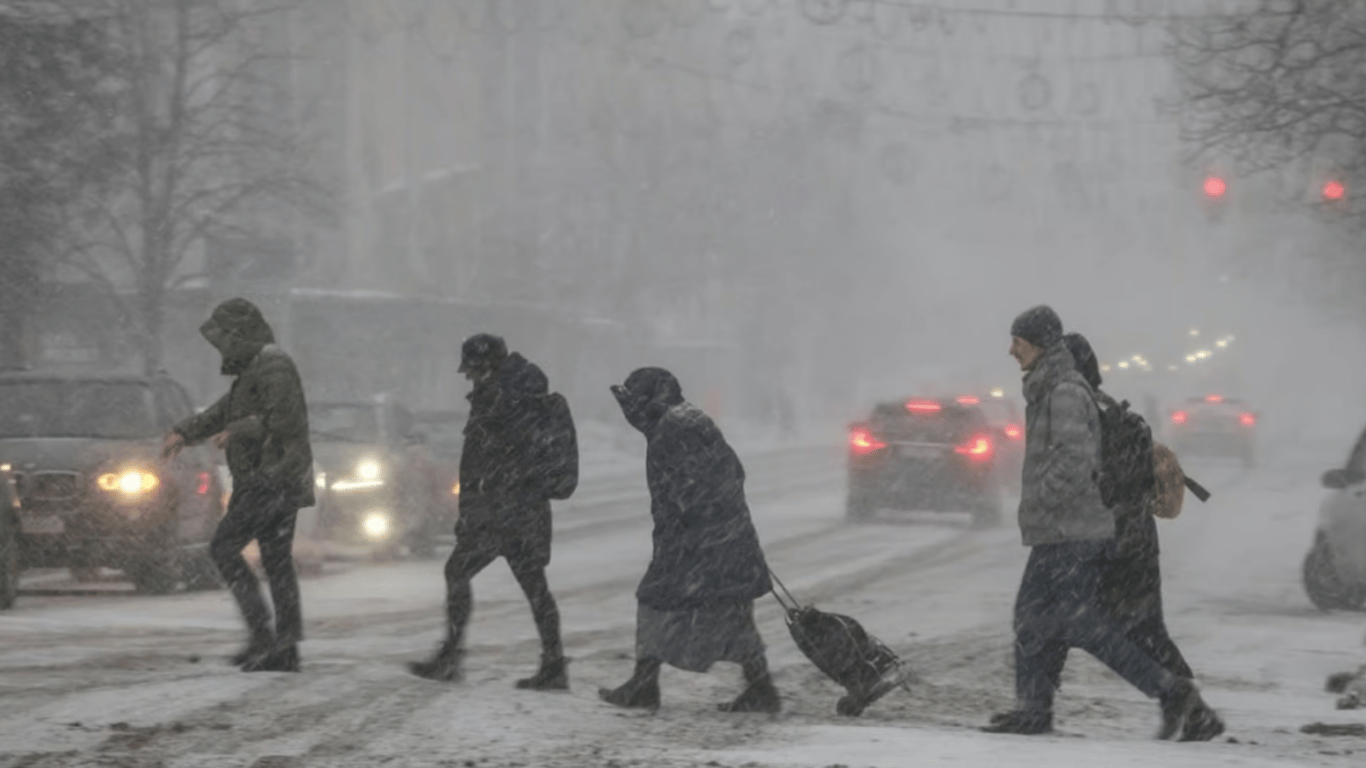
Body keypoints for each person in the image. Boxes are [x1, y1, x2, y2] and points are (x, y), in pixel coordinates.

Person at [983, 305, 1221, 740]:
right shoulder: (1049, 388)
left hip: (1073, 531)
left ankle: (1173, 694)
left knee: (1083, 626)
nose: (1011, 350)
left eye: (1018, 342)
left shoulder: (1065, 392)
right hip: (1064, 530)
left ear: (1038, 343)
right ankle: (1034, 710)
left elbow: (1075, 461)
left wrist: (1043, 499)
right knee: (1038, 620)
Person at [1062, 332, 1224, 737]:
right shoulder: (1109, 410)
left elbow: (1094, 483)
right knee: (1144, 631)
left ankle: (1189, 707)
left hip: (1112, 542)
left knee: (1085, 626)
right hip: (1135, 540)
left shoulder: (1088, 415)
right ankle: (1189, 709)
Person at [599, 367, 779, 713]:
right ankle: (761, 687)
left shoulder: (674, 427)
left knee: (655, 601)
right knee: (731, 611)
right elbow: (732, 472)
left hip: (698, 541)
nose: (631, 413)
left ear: (652, 399)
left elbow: (698, 483)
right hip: (720, 538)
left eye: (636, 403)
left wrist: (692, 520)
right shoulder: (686, 419)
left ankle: (644, 684)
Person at [407, 333, 568, 690]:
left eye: (472, 370)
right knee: (534, 587)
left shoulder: (504, 400)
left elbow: (489, 461)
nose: (468, 377)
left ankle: (452, 656)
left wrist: (479, 509)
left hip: (502, 511)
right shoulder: (518, 395)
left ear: (487, 367)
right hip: (520, 509)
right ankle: (554, 662)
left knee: (458, 572)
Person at [163, 298, 313, 673]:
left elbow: (284, 421)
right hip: (270, 479)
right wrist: (185, 431)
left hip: (272, 478)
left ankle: (267, 638)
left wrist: (239, 430)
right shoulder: (255, 368)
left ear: (239, 334)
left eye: (224, 339)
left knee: (225, 548)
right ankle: (282, 645)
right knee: (275, 562)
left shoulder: (272, 364)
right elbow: (225, 410)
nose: (221, 348)